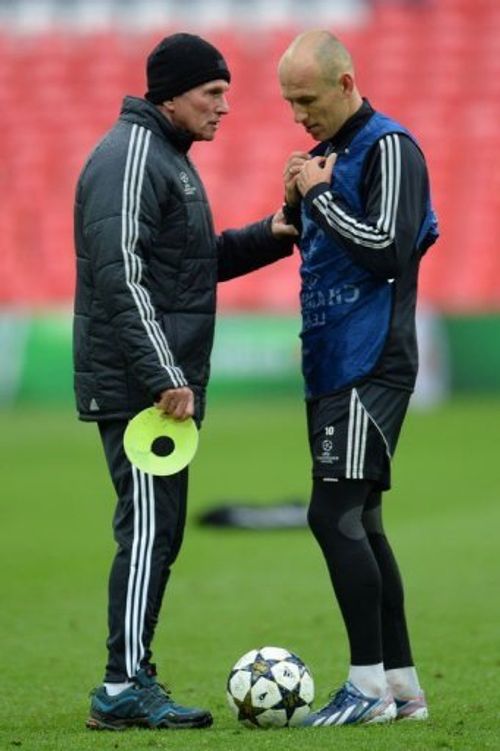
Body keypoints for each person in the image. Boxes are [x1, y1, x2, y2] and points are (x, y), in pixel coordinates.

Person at [73, 32, 296, 731]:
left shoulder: (166, 159)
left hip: (151, 380)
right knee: (147, 528)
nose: (224, 106)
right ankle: (121, 686)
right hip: (141, 384)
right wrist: (165, 373)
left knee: (160, 529)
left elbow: (192, 266)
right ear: (171, 93)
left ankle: (130, 675)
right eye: (212, 92)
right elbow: (120, 269)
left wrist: (274, 230)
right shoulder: (135, 156)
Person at [278, 29, 438, 726]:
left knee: (332, 512)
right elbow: (326, 258)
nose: (299, 116)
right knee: (362, 518)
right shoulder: (324, 158)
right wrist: (293, 207)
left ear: (345, 84)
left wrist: (317, 199)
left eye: (307, 99)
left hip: (371, 361)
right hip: (333, 360)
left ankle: (366, 685)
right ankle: (402, 686)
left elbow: (388, 250)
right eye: (290, 103)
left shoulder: (391, 146)